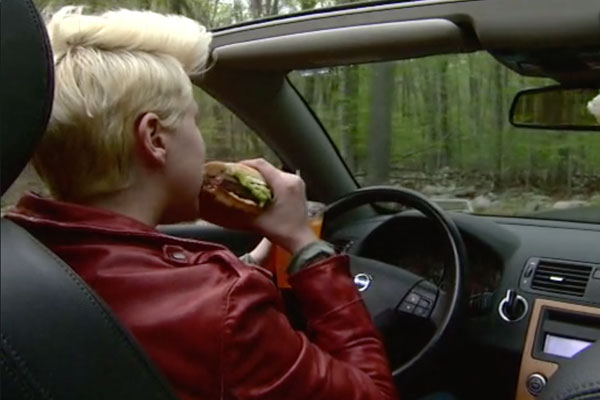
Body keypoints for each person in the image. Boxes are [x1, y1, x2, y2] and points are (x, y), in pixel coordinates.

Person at [6, 6, 399, 400]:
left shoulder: (18, 255)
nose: (201, 141)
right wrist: (304, 245)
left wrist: (248, 264)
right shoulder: (225, 309)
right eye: (193, 120)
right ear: (155, 138)